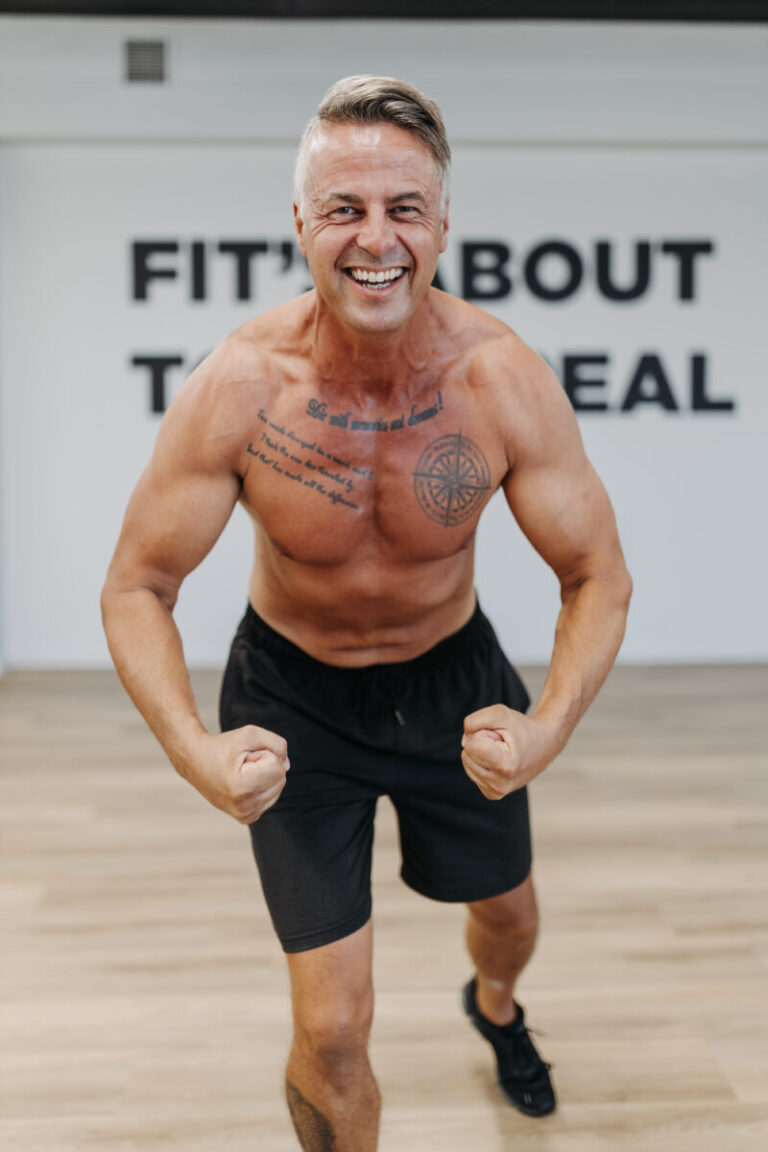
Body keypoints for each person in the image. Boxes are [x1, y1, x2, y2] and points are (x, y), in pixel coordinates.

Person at [101, 75, 632, 1151]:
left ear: (442, 224)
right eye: (344, 208)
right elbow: (136, 587)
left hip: (453, 682)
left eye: (402, 209)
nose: (374, 238)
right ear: (300, 222)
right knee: (333, 1029)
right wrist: (193, 752)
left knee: (510, 923)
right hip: (294, 693)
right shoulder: (243, 386)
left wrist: (543, 732)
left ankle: (495, 1008)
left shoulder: (501, 380)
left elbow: (598, 576)